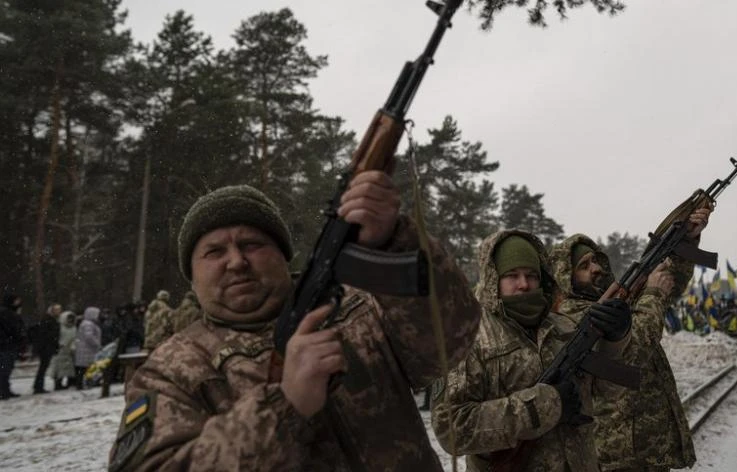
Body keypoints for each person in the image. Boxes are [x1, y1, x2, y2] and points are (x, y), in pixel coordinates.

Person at [108, 178, 480, 471]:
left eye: (252, 244)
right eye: (214, 251)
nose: (236, 261)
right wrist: (285, 405)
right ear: (192, 277)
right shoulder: (170, 371)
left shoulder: (358, 308)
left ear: (283, 255)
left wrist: (394, 241)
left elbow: (453, 339)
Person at [431, 230, 633, 471]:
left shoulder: (564, 328)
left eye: (531, 275)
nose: (524, 284)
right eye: (512, 276)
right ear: (493, 278)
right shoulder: (467, 339)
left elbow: (609, 392)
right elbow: (451, 428)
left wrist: (616, 338)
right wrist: (547, 405)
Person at [548, 205, 710, 472]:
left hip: (645, 446)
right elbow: (634, 350)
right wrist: (653, 295)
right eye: (584, 265)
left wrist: (687, 240)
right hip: (617, 454)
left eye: (596, 260)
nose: (596, 268)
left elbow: (670, 283)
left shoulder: (614, 301)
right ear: (565, 276)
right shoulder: (570, 318)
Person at [1, 292, 28, 399]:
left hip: (8, 345)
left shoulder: (9, 313)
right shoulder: (7, 313)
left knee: (6, 369)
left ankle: (5, 390)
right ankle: (4, 391)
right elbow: (14, 329)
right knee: (5, 369)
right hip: (6, 345)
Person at [30, 303, 62, 394]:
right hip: (45, 347)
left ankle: (38, 386)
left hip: (46, 347)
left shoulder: (50, 320)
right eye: (57, 310)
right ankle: (38, 386)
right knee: (43, 367)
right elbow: (46, 335)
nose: (59, 312)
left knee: (43, 367)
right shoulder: (48, 320)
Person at [74, 306, 102, 389]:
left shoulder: (87, 323)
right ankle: (84, 383)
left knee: (85, 368)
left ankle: (84, 383)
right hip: (87, 349)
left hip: (86, 349)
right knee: (85, 368)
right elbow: (89, 336)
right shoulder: (88, 324)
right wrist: (97, 344)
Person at [51, 310, 77, 390]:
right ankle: (58, 384)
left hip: (70, 351)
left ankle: (69, 382)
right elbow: (55, 337)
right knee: (59, 369)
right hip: (60, 350)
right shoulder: (59, 327)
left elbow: (75, 338)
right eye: (68, 318)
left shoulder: (74, 328)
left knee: (69, 369)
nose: (70, 320)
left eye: (71, 319)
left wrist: (73, 345)